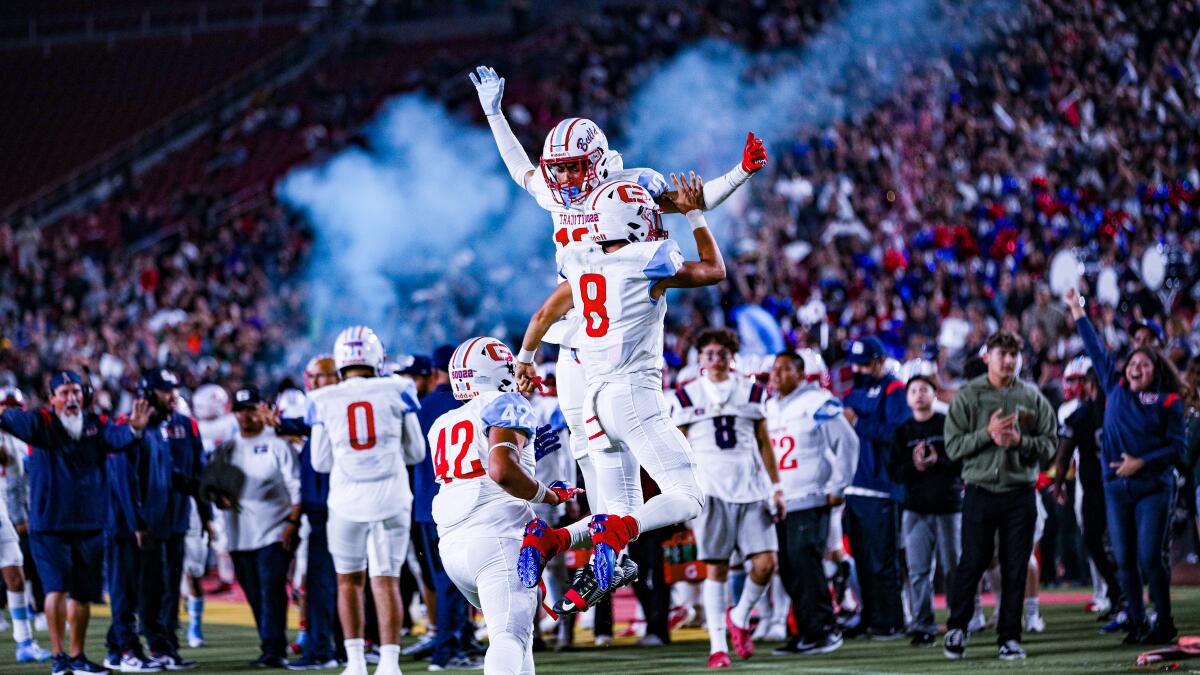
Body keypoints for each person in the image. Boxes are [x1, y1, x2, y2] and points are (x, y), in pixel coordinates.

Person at [470, 65, 764, 586]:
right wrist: (494, 112)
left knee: (608, 448)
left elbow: (691, 197)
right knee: (594, 453)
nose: (563, 180)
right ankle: (610, 549)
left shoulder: (631, 189)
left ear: (599, 161)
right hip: (581, 343)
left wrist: (738, 173)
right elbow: (521, 168)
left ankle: (606, 543)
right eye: (557, 170)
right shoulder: (574, 200)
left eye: (572, 168)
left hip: (595, 326)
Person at [513, 173, 721, 601]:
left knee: (616, 509)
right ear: (633, 223)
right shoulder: (647, 257)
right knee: (687, 495)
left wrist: (525, 360)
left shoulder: (580, 261)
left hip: (593, 401)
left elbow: (541, 317)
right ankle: (619, 531)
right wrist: (694, 213)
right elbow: (714, 270)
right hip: (633, 394)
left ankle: (551, 540)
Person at [429, 336, 583, 674]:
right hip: (496, 536)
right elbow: (501, 470)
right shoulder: (506, 403)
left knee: (519, 636)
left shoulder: (444, 422)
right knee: (510, 636)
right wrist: (548, 494)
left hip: (453, 546)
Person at [0, 370, 151, 675]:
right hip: (50, 525)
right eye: (64, 393)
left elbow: (119, 439)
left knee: (83, 594)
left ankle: (77, 656)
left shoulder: (96, 423)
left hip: (90, 523)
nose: (71, 399)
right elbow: (10, 418)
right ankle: (59, 658)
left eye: (76, 392)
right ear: (52, 398)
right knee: (56, 589)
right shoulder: (39, 422)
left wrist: (134, 430)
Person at [1066, 288, 1183, 644]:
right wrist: (1075, 309)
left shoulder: (1169, 399)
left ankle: (1164, 622)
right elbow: (1094, 345)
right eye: (1133, 361)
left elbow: (1177, 447)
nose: (1136, 366)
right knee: (1125, 560)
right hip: (1116, 488)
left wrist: (1141, 463)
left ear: (1156, 370)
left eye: (1145, 364)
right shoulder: (1113, 385)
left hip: (1153, 487)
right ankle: (1136, 622)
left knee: (1150, 557)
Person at [307, 326, 425, 675]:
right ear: (376, 357)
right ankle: (389, 663)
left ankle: (356, 662)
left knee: (348, 580)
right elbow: (416, 452)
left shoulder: (322, 398)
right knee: (386, 579)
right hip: (391, 495)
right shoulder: (399, 388)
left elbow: (320, 462)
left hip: (345, 499)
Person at [941, 331, 1057, 661]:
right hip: (980, 490)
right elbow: (953, 447)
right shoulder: (967, 395)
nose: (1008, 360)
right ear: (987, 357)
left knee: (1015, 566)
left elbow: (1049, 445)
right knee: (973, 560)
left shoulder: (1032, 398)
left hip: (1020, 492)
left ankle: (1009, 636)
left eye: (1013, 354)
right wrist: (987, 435)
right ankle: (957, 627)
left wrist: (1020, 443)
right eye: (1001, 354)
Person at [672, 327, 783, 667]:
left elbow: (764, 441)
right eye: (710, 354)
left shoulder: (752, 391)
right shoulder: (686, 395)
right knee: (716, 568)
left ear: (732, 357)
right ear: (700, 359)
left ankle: (741, 615)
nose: (717, 360)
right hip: (711, 489)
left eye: (722, 354)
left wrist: (777, 487)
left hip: (751, 488)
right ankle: (718, 646)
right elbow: (677, 446)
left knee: (766, 564)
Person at [765, 350, 858, 657]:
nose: (777, 374)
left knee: (806, 564)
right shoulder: (769, 407)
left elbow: (847, 441)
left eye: (786, 368)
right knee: (791, 569)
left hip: (810, 496)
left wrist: (838, 484)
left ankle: (824, 630)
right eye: (775, 368)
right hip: (781, 502)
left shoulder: (817, 400)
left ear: (801, 373)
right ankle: (806, 630)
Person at [406, 346, 484, 671]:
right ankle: (447, 651)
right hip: (456, 504)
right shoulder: (465, 404)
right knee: (453, 581)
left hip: (422, 505)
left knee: (444, 581)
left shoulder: (419, 407)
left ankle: (461, 640)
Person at [214, 387, 302, 668]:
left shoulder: (278, 444)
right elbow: (213, 488)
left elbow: (296, 488)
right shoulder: (226, 448)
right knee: (254, 594)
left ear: (261, 409)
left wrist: (291, 523)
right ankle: (268, 645)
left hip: (273, 532)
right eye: (240, 410)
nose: (245, 416)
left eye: (251, 409)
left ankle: (275, 649)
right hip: (240, 536)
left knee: (272, 590)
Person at [271, 355, 344, 670]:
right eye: (311, 377)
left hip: (327, 507)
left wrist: (280, 423)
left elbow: (309, 426)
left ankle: (320, 651)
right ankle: (343, 647)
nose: (312, 383)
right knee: (343, 581)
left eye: (319, 377)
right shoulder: (337, 404)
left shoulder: (331, 405)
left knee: (321, 583)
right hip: (336, 505)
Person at [104, 372, 178, 674]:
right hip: (127, 527)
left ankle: (117, 649)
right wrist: (136, 522)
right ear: (147, 395)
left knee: (149, 591)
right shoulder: (130, 427)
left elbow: (165, 477)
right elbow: (124, 479)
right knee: (126, 591)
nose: (172, 397)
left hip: (151, 525)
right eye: (165, 391)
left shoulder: (157, 430)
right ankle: (126, 651)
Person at [841, 335, 910, 640]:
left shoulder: (895, 389)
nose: (859, 369)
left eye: (865, 364)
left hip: (882, 485)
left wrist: (859, 424)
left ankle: (891, 619)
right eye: (855, 364)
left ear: (880, 361)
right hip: (854, 486)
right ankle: (868, 616)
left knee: (883, 560)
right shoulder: (853, 392)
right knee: (862, 559)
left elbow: (898, 433)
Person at [142, 369, 208, 670]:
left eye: (174, 389)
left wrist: (207, 514)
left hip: (179, 515)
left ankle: (167, 645)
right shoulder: (141, 426)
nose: (172, 395)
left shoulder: (187, 425)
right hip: (147, 520)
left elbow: (197, 471)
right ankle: (142, 644)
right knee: (149, 585)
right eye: (166, 389)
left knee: (171, 584)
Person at [888, 372, 960, 647]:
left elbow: (960, 463)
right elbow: (894, 471)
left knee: (953, 567)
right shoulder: (902, 431)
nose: (919, 394)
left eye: (924, 389)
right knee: (918, 570)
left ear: (934, 393)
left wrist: (937, 461)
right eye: (914, 390)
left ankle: (958, 621)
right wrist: (914, 466)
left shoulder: (946, 424)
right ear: (908, 398)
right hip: (915, 508)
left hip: (947, 506)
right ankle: (923, 625)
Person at [1051, 356, 1123, 622]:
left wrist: (1057, 484)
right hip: (1107, 483)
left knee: (1105, 543)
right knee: (1107, 543)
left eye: (1082, 381)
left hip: (1105, 484)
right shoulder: (1111, 408)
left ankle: (1120, 596)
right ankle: (1118, 596)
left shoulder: (1084, 414)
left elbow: (1062, 456)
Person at [0, 386, 51, 664]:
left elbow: (21, 476)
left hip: (8, 514)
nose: (9, 412)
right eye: (5, 407)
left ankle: (25, 643)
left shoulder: (22, 436)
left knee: (16, 573)